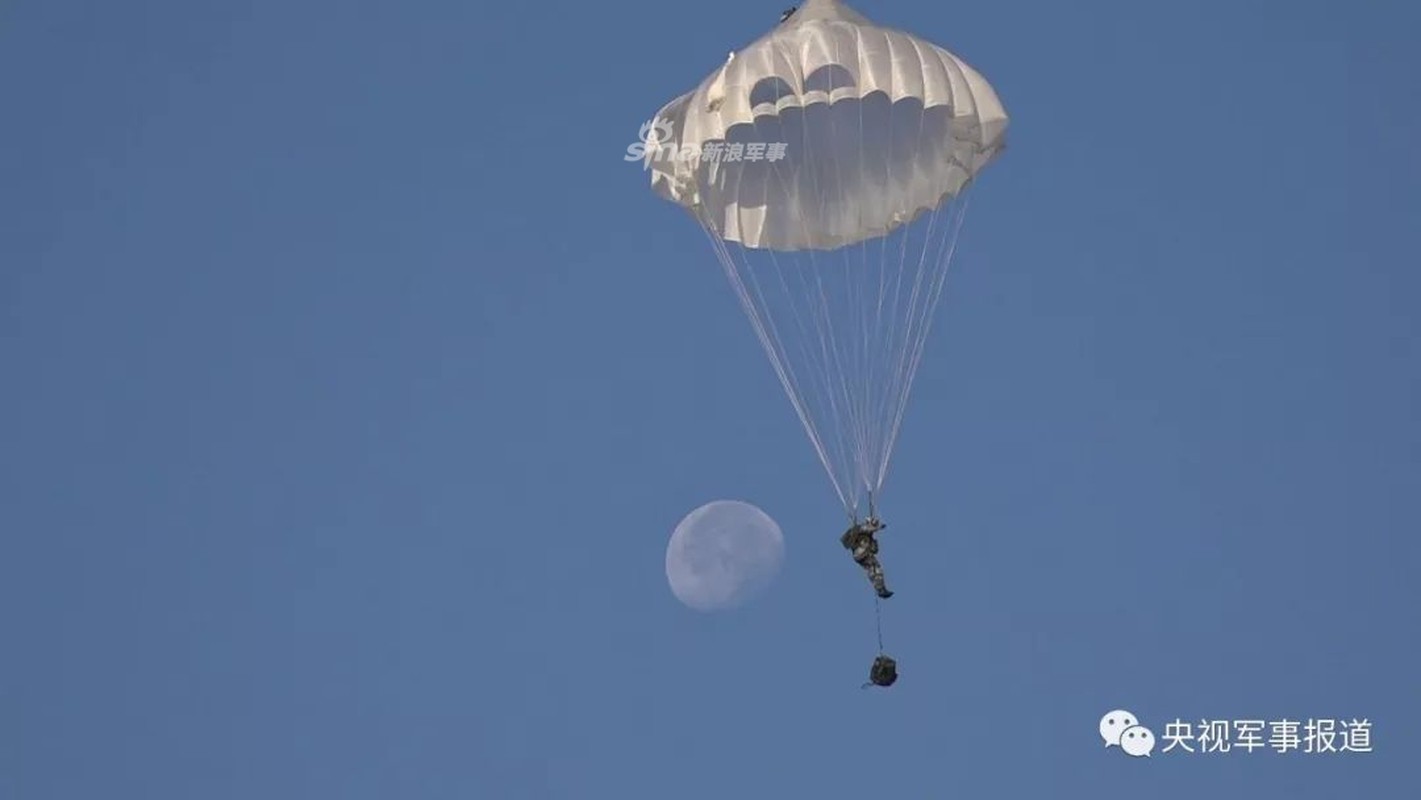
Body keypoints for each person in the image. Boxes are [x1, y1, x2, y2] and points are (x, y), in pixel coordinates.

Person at [840, 516, 893, 598]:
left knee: (873, 568)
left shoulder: (869, 537)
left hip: (862, 555)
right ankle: (880, 589)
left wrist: (875, 543)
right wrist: (878, 527)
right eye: (874, 524)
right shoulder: (861, 528)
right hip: (861, 554)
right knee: (875, 568)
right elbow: (867, 528)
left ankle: (880, 588)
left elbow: (875, 551)